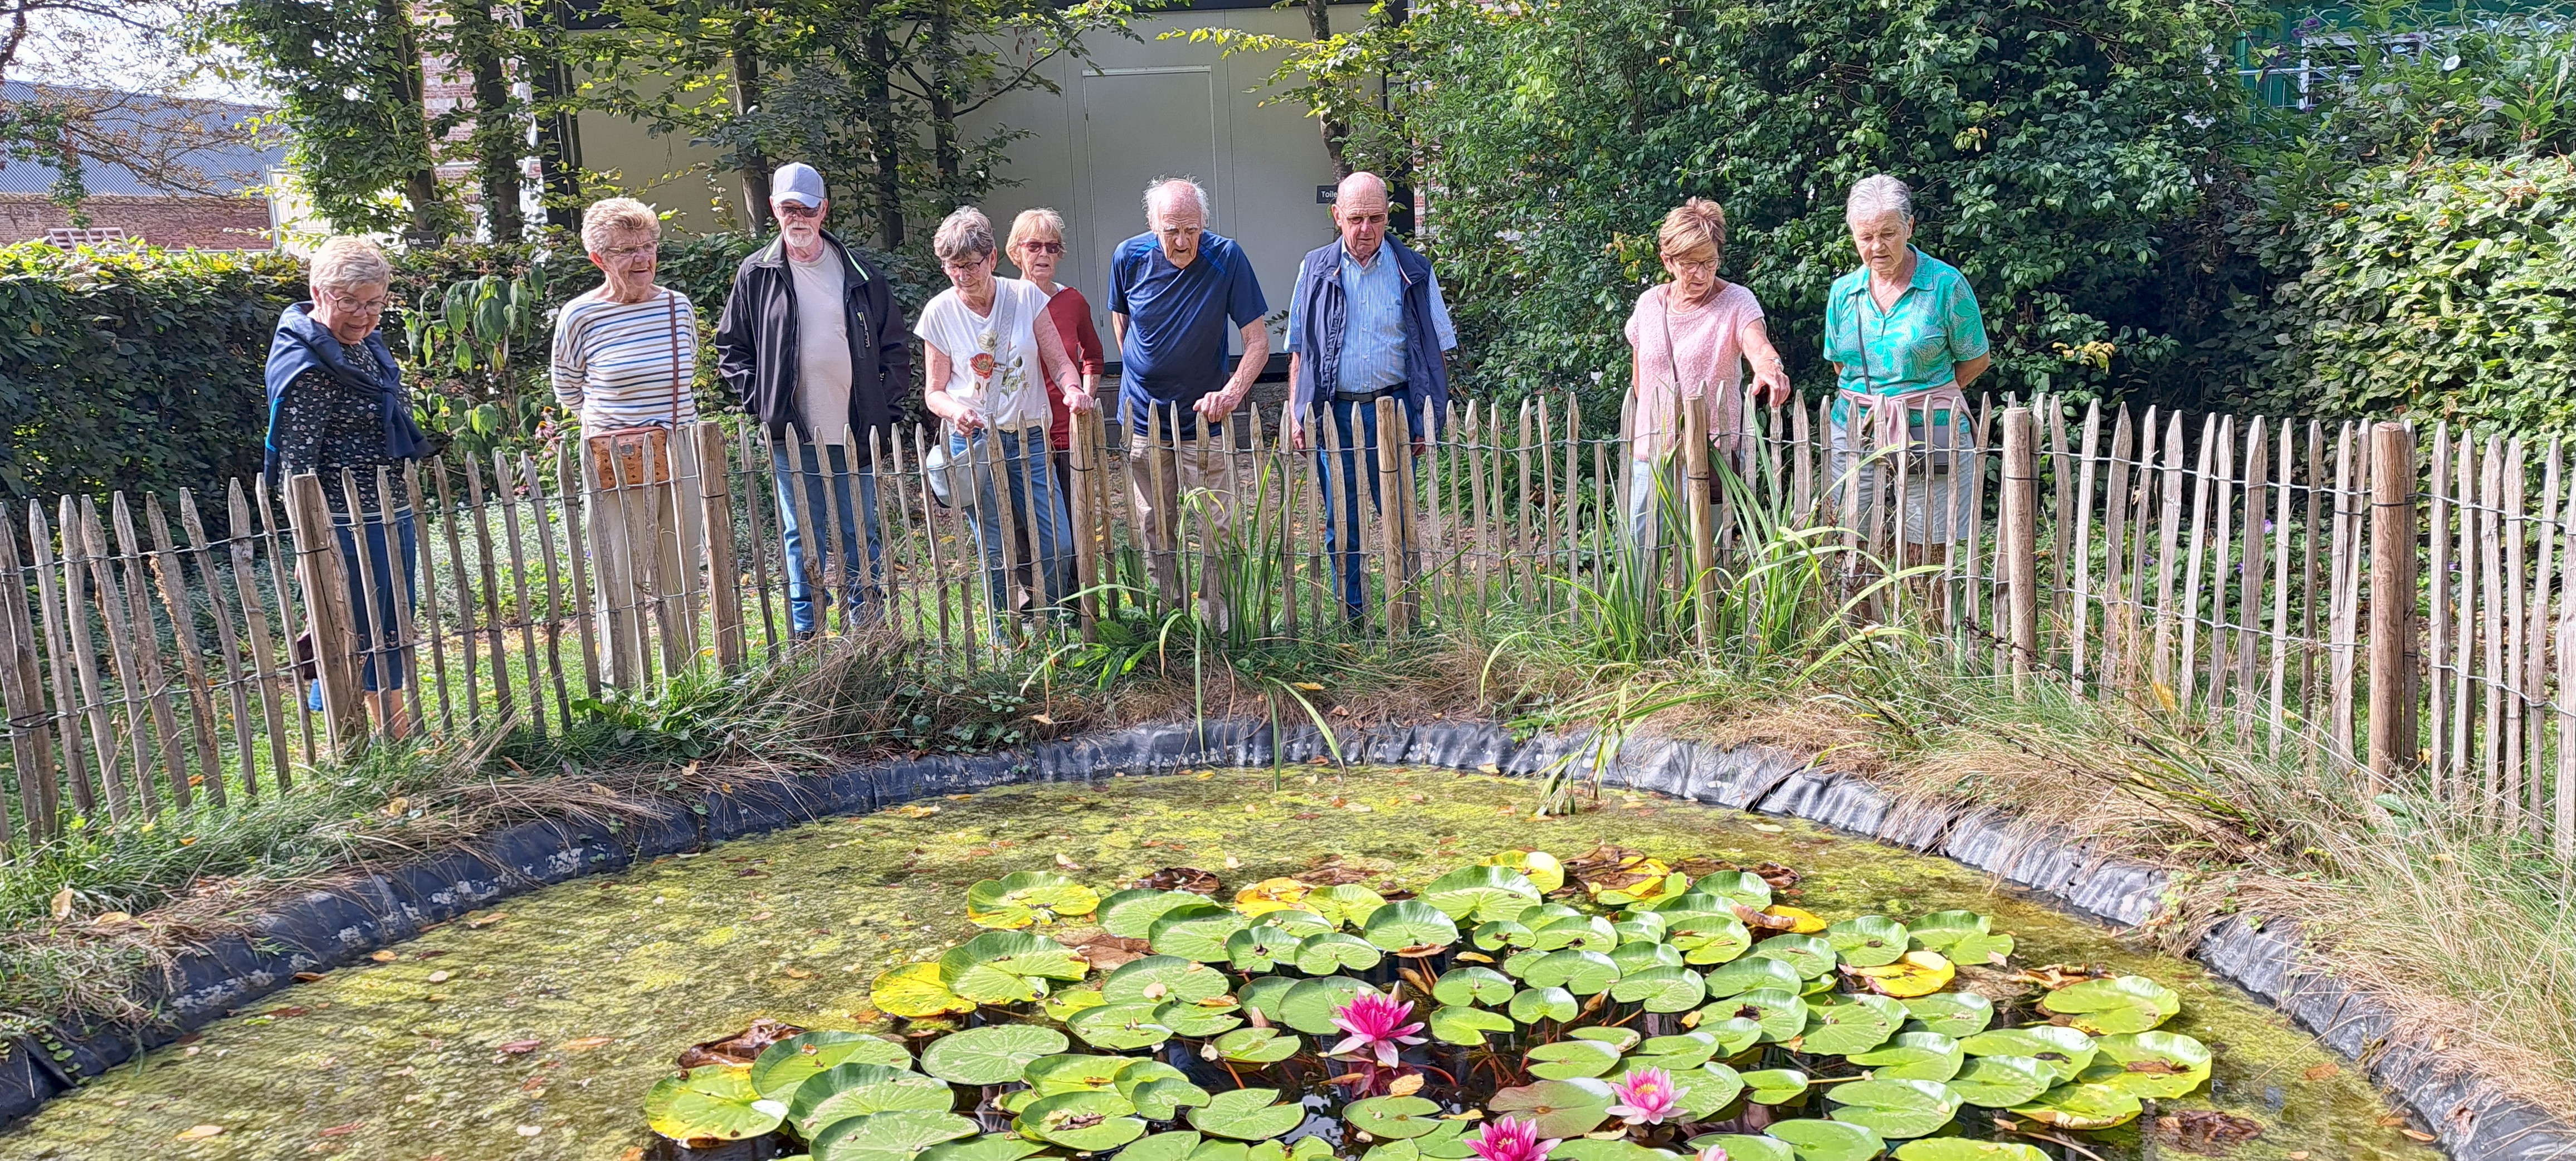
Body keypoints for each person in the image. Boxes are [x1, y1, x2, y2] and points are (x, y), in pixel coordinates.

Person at [714, 162, 915, 640]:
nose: (798, 217)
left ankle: (867, 632)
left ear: (824, 210)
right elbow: (731, 350)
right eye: (788, 208)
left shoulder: (860, 273)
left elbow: (896, 349)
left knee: (859, 535)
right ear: (774, 209)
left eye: (807, 208)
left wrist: (881, 410)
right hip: (791, 433)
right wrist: (763, 403)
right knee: (801, 536)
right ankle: (807, 637)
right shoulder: (756, 274)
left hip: (855, 431)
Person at [262, 235, 432, 734]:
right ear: (318, 292)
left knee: (393, 614)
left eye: (374, 303)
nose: (364, 315)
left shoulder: (362, 348)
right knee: (356, 621)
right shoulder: (310, 366)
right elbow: (297, 464)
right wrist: (306, 543)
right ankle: (382, 728)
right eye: (350, 302)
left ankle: (386, 721)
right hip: (343, 517)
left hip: (387, 506)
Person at [1285, 170, 1457, 625]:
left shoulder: (1414, 270)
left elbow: (1432, 351)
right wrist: (1298, 414)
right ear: (1337, 216)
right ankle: (1351, 620)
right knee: (1342, 521)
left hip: (1395, 407)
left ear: (1388, 218)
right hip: (1333, 408)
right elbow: (1300, 351)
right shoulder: (1315, 268)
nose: (1366, 230)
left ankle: (1406, 617)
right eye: (1356, 218)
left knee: (1398, 518)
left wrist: (1427, 417)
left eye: (1376, 218)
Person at [552, 196, 706, 681]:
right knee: (618, 575)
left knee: (678, 570)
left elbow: (688, 371)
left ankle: (684, 681)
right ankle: (626, 684)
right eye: (626, 251)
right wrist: (621, 428)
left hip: (677, 449)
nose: (642, 260)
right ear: (599, 259)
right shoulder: (580, 317)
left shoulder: (677, 308)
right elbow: (568, 389)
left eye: (648, 246)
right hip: (614, 458)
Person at [917, 207, 1092, 625]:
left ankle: (1050, 625)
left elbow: (1060, 363)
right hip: (974, 444)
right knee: (996, 551)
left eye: (971, 266)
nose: (963, 276)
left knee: (1057, 543)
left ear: (993, 259)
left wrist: (1072, 390)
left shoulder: (1026, 297)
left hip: (1030, 437)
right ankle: (1003, 636)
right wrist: (957, 411)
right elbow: (934, 393)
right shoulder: (938, 313)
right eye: (953, 267)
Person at [1108, 177, 1269, 620]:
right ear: (1151, 225)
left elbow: (1257, 342)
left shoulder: (1227, 257)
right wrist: (1142, 372)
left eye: (1192, 230)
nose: (1182, 242)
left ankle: (1218, 624)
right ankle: (1168, 623)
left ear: (1205, 224)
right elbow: (1121, 321)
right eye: (1171, 231)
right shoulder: (1129, 257)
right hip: (1144, 419)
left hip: (1205, 420)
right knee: (1155, 526)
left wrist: (1231, 393)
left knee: (1218, 527)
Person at [1823, 174, 1990, 557]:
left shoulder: (1946, 285)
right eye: (1866, 237)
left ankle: (1923, 617)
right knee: (1854, 541)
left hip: (1931, 430)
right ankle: (1861, 618)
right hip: (1856, 427)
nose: (1877, 246)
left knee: (1926, 547)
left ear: (1909, 227)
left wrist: (1921, 398)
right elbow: (1840, 366)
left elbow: (1976, 360)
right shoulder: (1843, 293)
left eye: (1888, 234)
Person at [1621, 197, 1790, 555]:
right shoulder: (1649, 304)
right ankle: (1643, 614)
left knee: (1709, 560)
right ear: (1668, 261)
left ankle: (1707, 615)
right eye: (1689, 264)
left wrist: (1769, 367)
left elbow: (1756, 342)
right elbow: (1641, 378)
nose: (1701, 273)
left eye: (1709, 262)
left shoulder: (1737, 301)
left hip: (1712, 457)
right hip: (1652, 457)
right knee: (1640, 554)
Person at [1006, 208, 1106, 498]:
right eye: (1034, 246)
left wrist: (1084, 399)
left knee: (1073, 520)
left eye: (1052, 247)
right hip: (1020, 431)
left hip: (1065, 431)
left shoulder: (1072, 301)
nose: (1044, 255)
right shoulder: (1004, 303)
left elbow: (1094, 357)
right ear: (1016, 252)